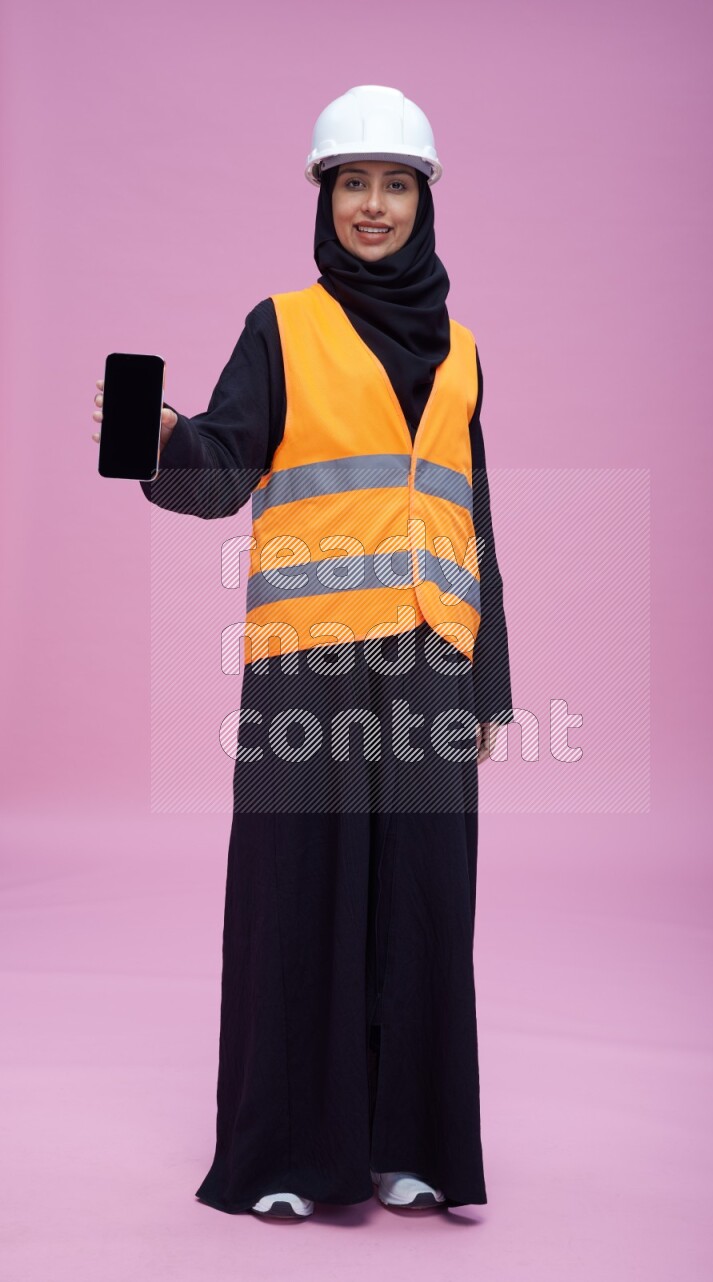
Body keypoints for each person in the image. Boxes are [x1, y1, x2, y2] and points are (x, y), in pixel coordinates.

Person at [91, 84, 513, 1220]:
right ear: (324, 199)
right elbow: (225, 467)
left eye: (393, 185)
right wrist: (165, 440)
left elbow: (472, 520)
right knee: (302, 896)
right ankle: (288, 1155)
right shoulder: (280, 326)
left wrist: (487, 688)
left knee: (427, 902)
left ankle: (415, 1145)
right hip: (312, 667)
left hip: (430, 662)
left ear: (423, 202)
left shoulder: (463, 348)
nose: (372, 206)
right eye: (351, 184)